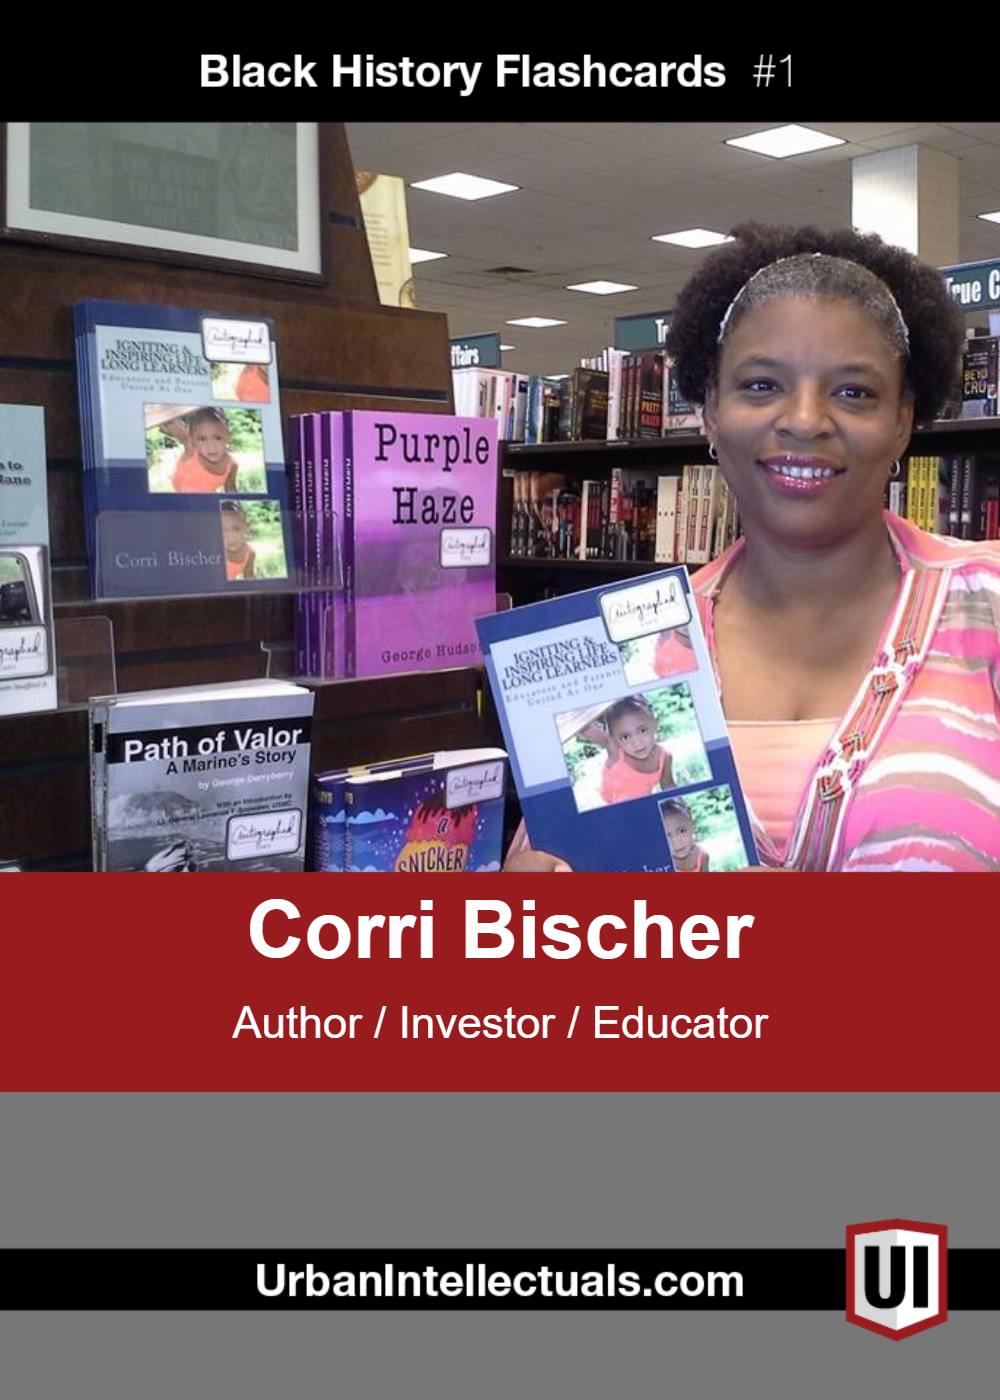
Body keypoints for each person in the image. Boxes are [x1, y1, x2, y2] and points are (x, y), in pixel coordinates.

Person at [507, 222, 1000, 872]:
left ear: (903, 420)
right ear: (710, 408)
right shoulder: (622, 646)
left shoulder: (988, 602)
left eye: (853, 392)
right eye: (762, 385)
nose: (805, 420)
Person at [579, 697, 675, 805]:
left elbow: (668, 785)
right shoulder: (616, 750)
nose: (637, 743)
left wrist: (677, 804)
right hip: (611, 806)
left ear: (655, 723)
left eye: (642, 730)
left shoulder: (664, 757)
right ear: (614, 738)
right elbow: (583, 727)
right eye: (625, 737)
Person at [164, 408, 239, 493]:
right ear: (193, 439)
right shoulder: (192, 448)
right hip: (181, 497)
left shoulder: (232, 465)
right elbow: (169, 421)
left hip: (206, 499)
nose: (211, 447)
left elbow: (231, 489)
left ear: (228, 436)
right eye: (202, 439)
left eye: (218, 438)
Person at [660, 798, 710, 872]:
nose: (676, 842)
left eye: (682, 831)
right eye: (667, 836)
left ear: (692, 826)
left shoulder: (702, 856)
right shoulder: (662, 864)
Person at [221, 501, 256, 581]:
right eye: (224, 530)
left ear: (246, 527)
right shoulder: (214, 552)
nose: (231, 537)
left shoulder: (249, 553)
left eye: (236, 529)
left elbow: (249, 577)